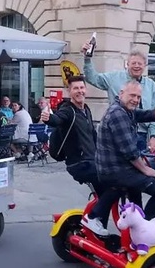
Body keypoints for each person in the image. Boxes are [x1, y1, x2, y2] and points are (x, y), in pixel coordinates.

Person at [95, 80, 155, 221]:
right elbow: (129, 151)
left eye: (138, 97)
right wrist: (145, 169)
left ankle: (137, 225)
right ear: (121, 94)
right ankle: (145, 224)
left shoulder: (127, 111)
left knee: (137, 192)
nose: (135, 100)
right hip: (116, 171)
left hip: (119, 169)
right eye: (132, 95)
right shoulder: (118, 114)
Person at [41, 76, 106, 233]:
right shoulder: (68, 110)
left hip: (92, 161)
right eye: (75, 88)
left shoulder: (86, 110)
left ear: (86, 89)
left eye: (81, 88)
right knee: (112, 187)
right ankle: (92, 220)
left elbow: (93, 136)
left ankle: (99, 227)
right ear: (68, 91)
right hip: (80, 163)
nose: (79, 91)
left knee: (107, 192)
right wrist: (48, 118)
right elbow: (58, 120)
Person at [83, 44, 155, 152]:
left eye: (140, 63)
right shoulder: (113, 78)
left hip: (143, 136)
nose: (136, 66)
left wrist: (153, 136)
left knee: (141, 166)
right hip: (120, 132)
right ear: (127, 64)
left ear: (145, 65)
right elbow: (92, 77)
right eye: (133, 63)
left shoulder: (152, 86)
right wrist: (87, 58)